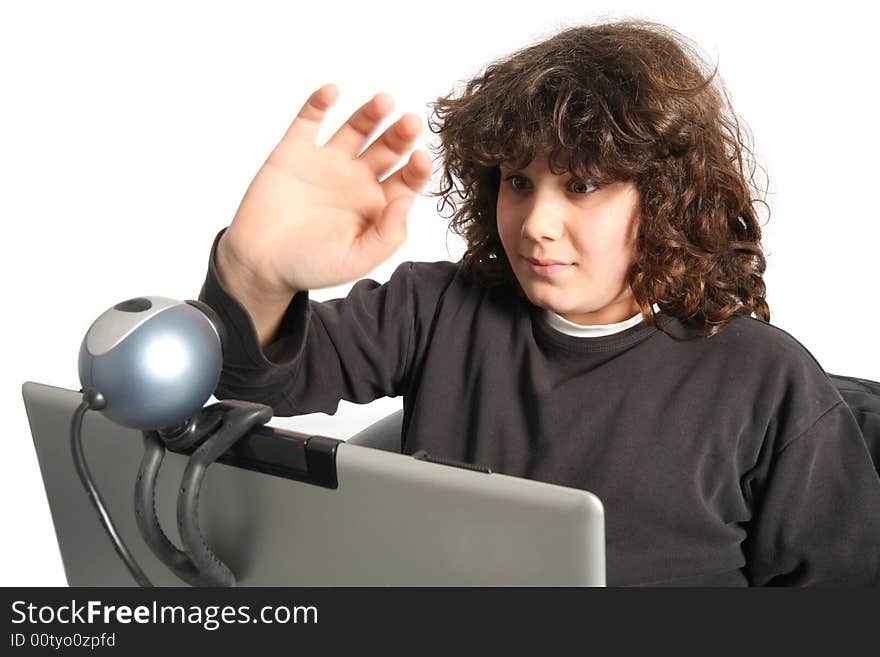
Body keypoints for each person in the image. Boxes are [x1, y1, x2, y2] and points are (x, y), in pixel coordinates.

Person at [198, 20, 880, 586]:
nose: (534, 223)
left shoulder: (767, 382)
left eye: (582, 184)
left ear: (668, 199)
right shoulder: (436, 309)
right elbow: (254, 376)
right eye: (518, 181)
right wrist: (254, 270)